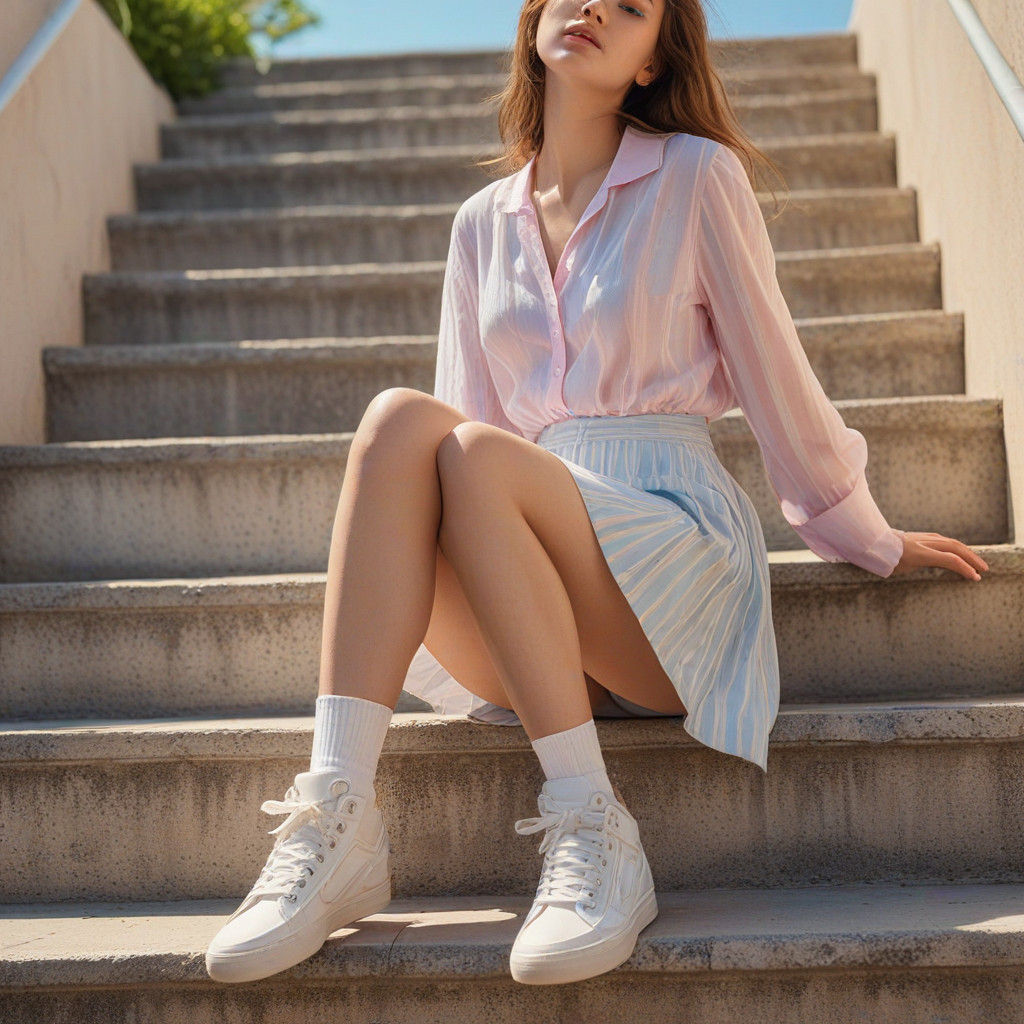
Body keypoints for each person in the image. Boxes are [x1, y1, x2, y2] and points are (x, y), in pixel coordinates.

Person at [205, 0, 991, 989]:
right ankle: (338, 821)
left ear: (655, 56)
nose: (592, 8)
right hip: (528, 577)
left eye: (629, 6)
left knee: (475, 459)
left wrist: (863, 531)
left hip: (669, 560)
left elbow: (773, 372)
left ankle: (593, 825)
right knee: (403, 422)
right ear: (535, 15)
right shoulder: (478, 226)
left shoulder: (696, 177)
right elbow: (460, 428)